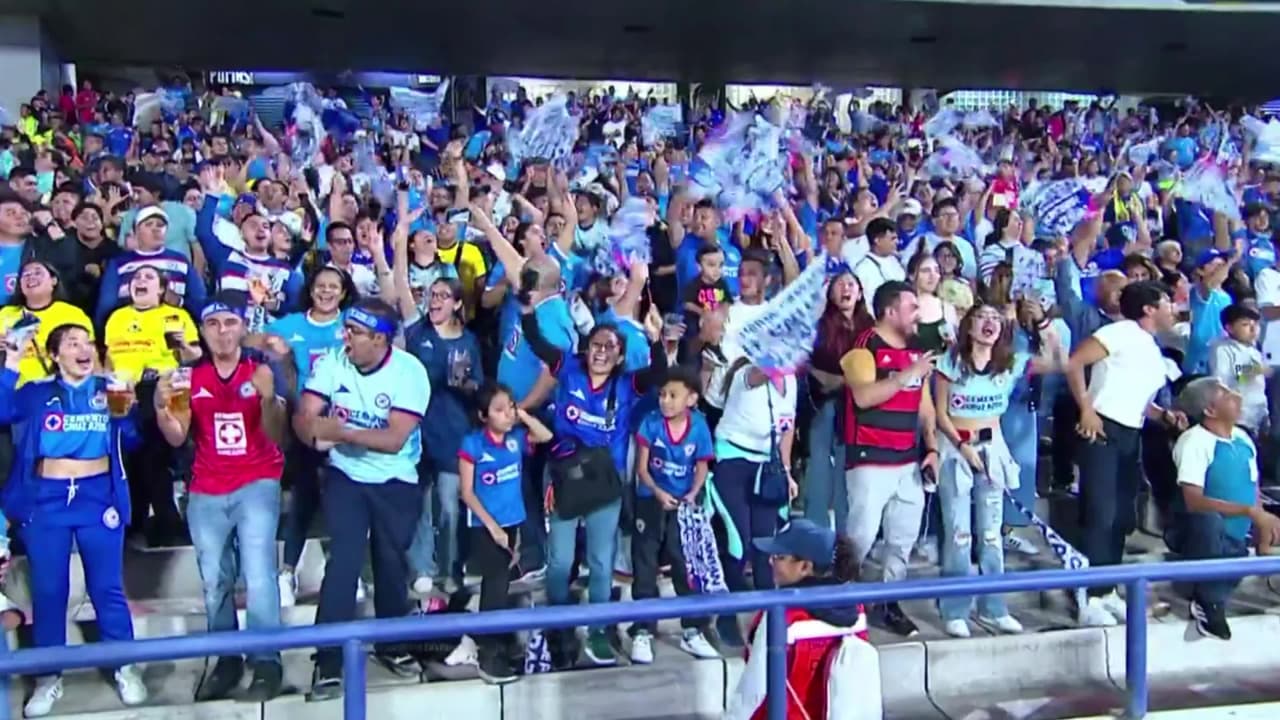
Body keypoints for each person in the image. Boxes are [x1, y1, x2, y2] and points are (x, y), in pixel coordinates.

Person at [0, 323, 147, 716]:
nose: (84, 349)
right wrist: (11, 361)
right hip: (46, 499)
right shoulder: (37, 392)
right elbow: (1, 410)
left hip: (98, 497)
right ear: (55, 354)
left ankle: (124, 666)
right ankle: (48, 677)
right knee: (49, 591)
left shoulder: (110, 388)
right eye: (72, 343)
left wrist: (126, 414)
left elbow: (133, 441)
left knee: (107, 587)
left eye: (88, 343)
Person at [518, 285, 665, 668]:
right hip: (564, 479)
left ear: (620, 356)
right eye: (596, 345)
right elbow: (537, 342)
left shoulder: (627, 384)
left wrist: (655, 339)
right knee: (560, 562)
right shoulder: (567, 367)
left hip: (605, 484)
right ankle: (559, 624)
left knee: (601, 563)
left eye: (610, 347)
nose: (601, 352)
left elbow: (659, 374)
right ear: (586, 349)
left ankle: (598, 631)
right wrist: (528, 311)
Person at [153, 296, 288, 701]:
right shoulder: (190, 377)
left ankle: (266, 662)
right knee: (214, 580)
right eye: (213, 324)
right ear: (202, 331)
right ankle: (226, 659)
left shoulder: (260, 370)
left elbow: (278, 436)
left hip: (257, 479)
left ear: (242, 327)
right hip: (207, 486)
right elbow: (176, 437)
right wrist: (161, 408)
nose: (222, 331)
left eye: (230, 322)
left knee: (259, 574)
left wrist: (268, 399)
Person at [295, 297, 430, 700]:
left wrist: (339, 432)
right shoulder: (333, 361)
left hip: (396, 480)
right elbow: (304, 417)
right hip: (345, 476)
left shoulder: (409, 372)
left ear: (379, 339)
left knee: (391, 564)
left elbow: (393, 439)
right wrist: (314, 434)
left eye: (354, 332)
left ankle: (391, 646)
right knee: (343, 562)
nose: (345, 338)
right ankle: (328, 661)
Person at [932, 302, 1065, 638]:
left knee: (991, 535)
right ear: (969, 325)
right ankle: (955, 610)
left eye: (995, 318)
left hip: (993, 449)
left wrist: (1043, 323)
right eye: (981, 317)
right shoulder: (950, 361)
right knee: (959, 534)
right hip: (955, 450)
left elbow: (1059, 362)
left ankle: (994, 608)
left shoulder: (1012, 362)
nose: (989, 323)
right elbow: (940, 413)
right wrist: (962, 446)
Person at [1067, 280, 1183, 627]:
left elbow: (1136, 397)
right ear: (1149, 308)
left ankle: (1106, 589)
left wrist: (1163, 415)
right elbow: (1074, 362)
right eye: (1167, 302)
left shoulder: (1151, 347)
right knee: (1100, 513)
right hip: (1102, 428)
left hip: (1131, 433)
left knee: (1120, 516)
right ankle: (1087, 596)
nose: (1173, 308)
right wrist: (1086, 409)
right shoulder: (1119, 332)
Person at [841, 280, 939, 637]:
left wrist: (932, 449)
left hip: (908, 461)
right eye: (912, 308)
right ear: (890, 311)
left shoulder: (917, 350)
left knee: (902, 539)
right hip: (869, 460)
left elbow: (925, 406)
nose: (918, 315)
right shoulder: (863, 345)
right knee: (860, 537)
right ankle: (843, 600)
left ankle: (888, 603)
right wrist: (906, 375)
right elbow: (863, 397)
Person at [253, 265, 354, 607]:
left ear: (343, 292)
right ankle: (287, 572)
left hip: (346, 427)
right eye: (320, 286)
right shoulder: (290, 325)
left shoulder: (353, 324)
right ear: (310, 290)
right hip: (303, 427)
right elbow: (256, 341)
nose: (326, 292)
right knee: (304, 499)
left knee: (344, 502)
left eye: (333, 286)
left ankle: (344, 571)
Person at [724, 519, 874, 720]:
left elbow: (752, 695)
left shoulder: (780, 617)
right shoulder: (857, 609)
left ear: (805, 567)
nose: (770, 561)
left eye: (780, 557)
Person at [1169, 377, 1280, 641]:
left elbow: (1253, 490)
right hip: (1196, 536)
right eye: (1226, 394)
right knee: (1208, 520)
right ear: (1210, 410)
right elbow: (1194, 501)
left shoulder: (1243, 439)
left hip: (1235, 540)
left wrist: (1263, 534)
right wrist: (1249, 512)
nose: (1236, 397)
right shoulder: (1193, 441)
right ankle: (1209, 604)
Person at [457, 382, 553, 684]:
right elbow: (467, 493)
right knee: (495, 586)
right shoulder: (472, 444)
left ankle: (493, 644)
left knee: (501, 586)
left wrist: (521, 414)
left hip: (513, 523)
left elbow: (545, 436)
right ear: (483, 415)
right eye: (499, 410)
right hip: (486, 527)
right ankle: (489, 654)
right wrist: (493, 528)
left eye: (509, 407)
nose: (507, 414)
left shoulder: (516, 439)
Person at [629, 366, 719, 664]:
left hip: (683, 506)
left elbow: (702, 467)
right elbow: (641, 469)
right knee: (645, 564)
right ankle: (643, 630)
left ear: (691, 399)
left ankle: (692, 630)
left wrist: (692, 494)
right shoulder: (650, 423)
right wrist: (657, 492)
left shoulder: (699, 427)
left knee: (685, 565)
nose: (665, 401)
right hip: (650, 500)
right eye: (663, 395)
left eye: (673, 395)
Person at [405, 277, 483, 594]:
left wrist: (465, 385)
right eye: (432, 294)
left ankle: (452, 569)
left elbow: (478, 387)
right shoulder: (416, 333)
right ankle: (422, 567)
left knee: (451, 506)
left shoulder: (469, 341)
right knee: (419, 504)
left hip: (453, 432)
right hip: (417, 431)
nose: (435, 300)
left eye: (443, 295)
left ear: (457, 303)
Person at [806, 271, 871, 529]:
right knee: (819, 472)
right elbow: (808, 366)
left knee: (849, 476)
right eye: (840, 284)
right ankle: (815, 536)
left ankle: (847, 540)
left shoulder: (870, 327)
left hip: (859, 409)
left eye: (851, 284)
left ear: (860, 293)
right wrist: (837, 380)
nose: (846, 288)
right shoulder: (820, 327)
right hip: (824, 406)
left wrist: (848, 382)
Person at [0, 260, 93, 387]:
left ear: (53, 281)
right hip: (12, 388)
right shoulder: (5, 314)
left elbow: (90, 355)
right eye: (26, 275)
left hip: (59, 389)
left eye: (38, 273)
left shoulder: (72, 314)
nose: (31, 277)